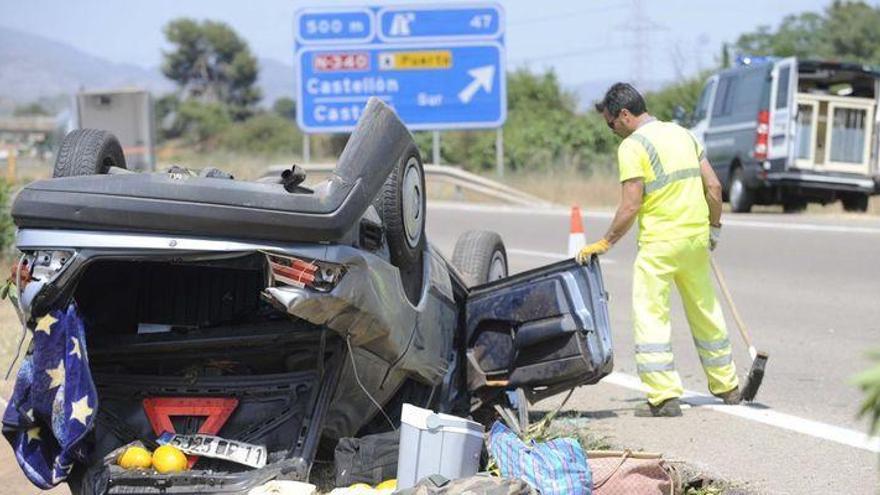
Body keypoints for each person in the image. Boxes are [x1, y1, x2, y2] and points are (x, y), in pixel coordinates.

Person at [577, 82, 740, 417]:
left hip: (660, 245)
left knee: (651, 315)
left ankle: (664, 397)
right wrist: (714, 228)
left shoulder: (633, 146)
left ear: (624, 115)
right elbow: (713, 186)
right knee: (705, 309)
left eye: (611, 124)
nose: (612, 131)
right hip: (695, 241)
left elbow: (630, 205)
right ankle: (728, 386)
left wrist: (606, 241)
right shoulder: (685, 135)